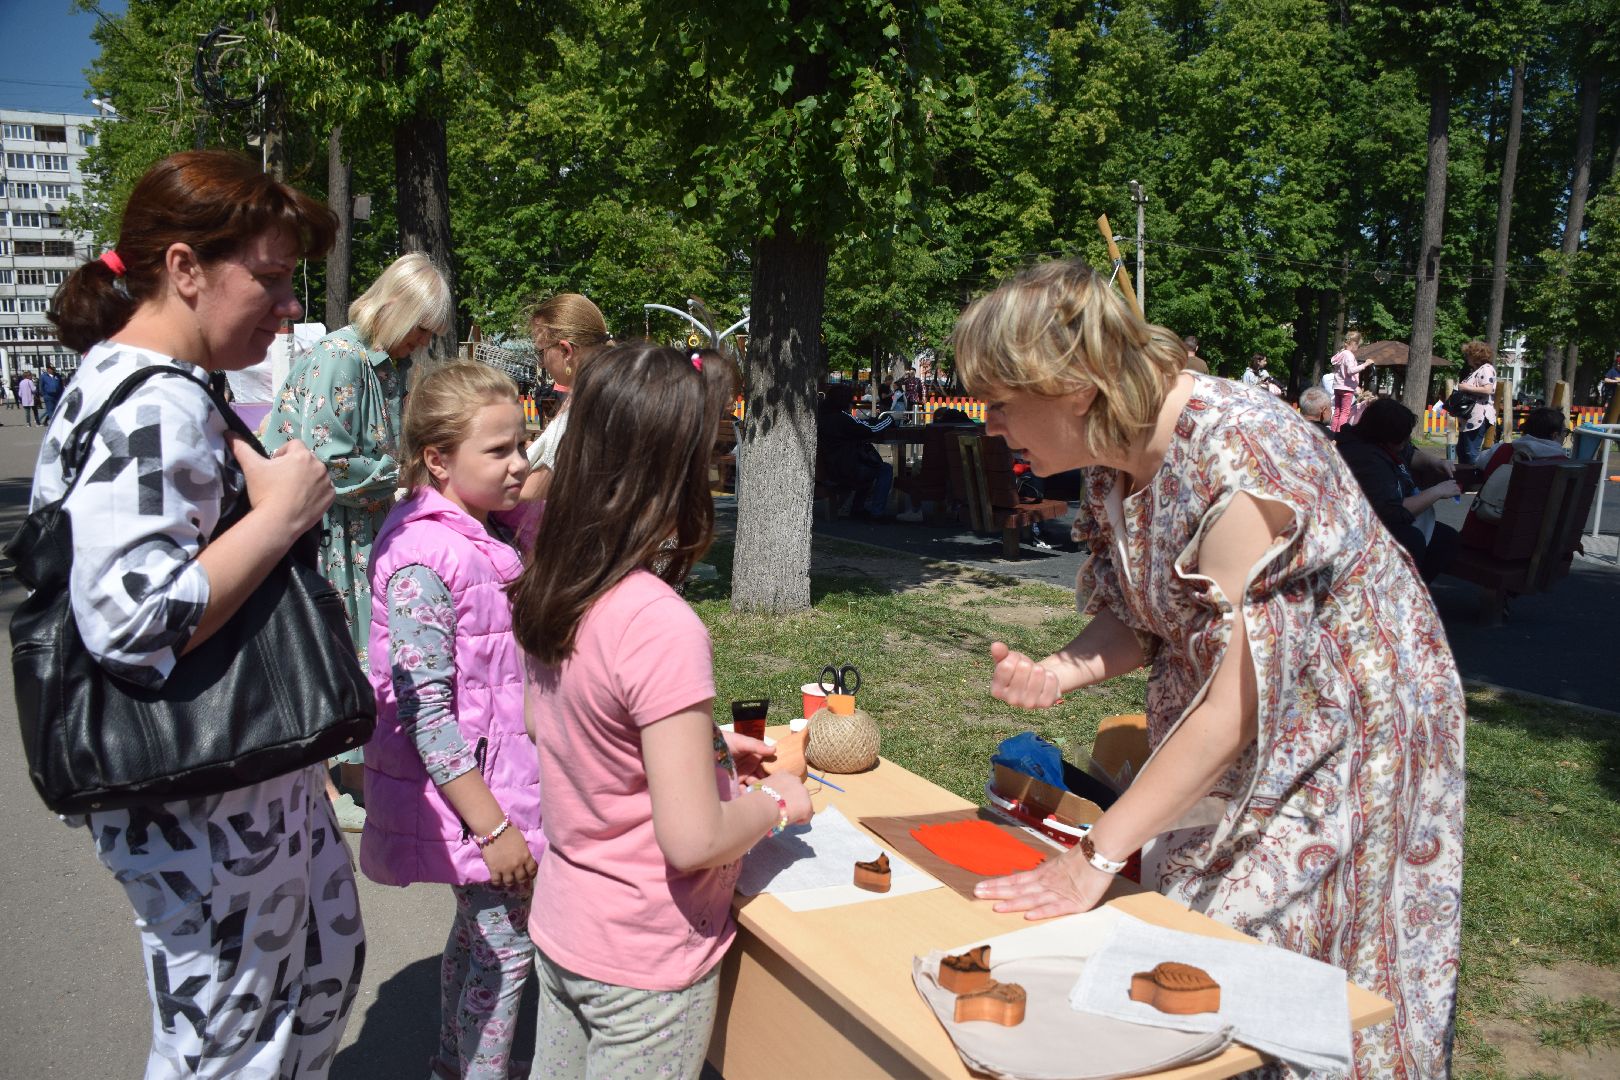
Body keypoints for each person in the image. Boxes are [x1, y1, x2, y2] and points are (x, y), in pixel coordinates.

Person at [955, 261, 1464, 1079]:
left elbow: (1238, 702)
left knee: (1281, 950)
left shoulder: (1241, 452)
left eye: (1004, 401)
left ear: (1075, 386)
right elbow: (1148, 613)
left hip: (1345, 731)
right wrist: (1058, 672)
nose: (989, 423)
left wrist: (1093, 856)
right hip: (1232, 723)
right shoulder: (1110, 456)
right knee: (1190, 938)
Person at [35, 149, 363, 1077]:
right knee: (230, 1047)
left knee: (310, 982)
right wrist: (283, 516)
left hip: (240, 785)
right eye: (268, 278)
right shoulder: (155, 406)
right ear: (184, 269)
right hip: (206, 805)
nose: (289, 305)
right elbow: (133, 625)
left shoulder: (162, 386)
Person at [510, 342, 813, 1079]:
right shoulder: (659, 623)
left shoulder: (555, 584)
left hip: (564, 925)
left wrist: (702, 749)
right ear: (681, 470)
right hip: (643, 958)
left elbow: (568, 726)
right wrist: (776, 803)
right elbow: (693, 838)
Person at [361, 362, 544, 1080]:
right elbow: (425, 714)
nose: (518, 465)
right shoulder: (422, 558)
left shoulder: (480, 534)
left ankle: (452, 1064)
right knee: (504, 957)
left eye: (521, 444)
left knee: (479, 943)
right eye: (498, 451)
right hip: (482, 805)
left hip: (500, 789)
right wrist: (494, 829)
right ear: (438, 459)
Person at [263, 251, 453, 830]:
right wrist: (400, 474)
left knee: (361, 646)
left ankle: (354, 772)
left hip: (359, 525)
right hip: (324, 529)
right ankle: (327, 778)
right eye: (421, 328)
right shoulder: (341, 359)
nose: (422, 342)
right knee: (333, 647)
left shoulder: (384, 366)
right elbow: (323, 463)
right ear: (398, 310)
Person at [1336, 397, 1461, 583]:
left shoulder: (1379, 440)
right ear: (1385, 438)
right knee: (1413, 541)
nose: (1406, 442)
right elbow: (1394, 511)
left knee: (1447, 539)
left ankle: (1415, 591)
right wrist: (1437, 491)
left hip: (1380, 520)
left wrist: (1436, 462)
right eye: (1402, 439)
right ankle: (1396, 595)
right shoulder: (1365, 460)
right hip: (1360, 528)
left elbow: (1408, 453)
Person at [524, 292, 613, 498]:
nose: (541, 362)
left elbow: (536, 487)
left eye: (541, 352)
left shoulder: (586, 407)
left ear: (565, 351)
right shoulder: (607, 391)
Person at [1460, 406, 1570, 551]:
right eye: (1565, 432)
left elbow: (1479, 462)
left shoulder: (1501, 450)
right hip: (1529, 548)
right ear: (1555, 435)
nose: (1565, 436)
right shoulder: (1564, 465)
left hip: (1480, 539)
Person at [816, 382, 895, 518]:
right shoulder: (842, 418)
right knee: (884, 469)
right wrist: (889, 418)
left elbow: (860, 426)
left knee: (868, 465)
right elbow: (871, 429)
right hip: (847, 469)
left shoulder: (823, 417)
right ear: (845, 401)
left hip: (831, 469)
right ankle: (877, 512)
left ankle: (858, 507)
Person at [1454, 339, 1498, 466]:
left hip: (1478, 417)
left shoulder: (1486, 369)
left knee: (1470, 453)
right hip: (1469, 419)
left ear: (1476, 355)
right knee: (1463, 451)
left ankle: (1475, 482)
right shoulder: (1476, 370)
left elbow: (1487, 389)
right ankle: (1465, 481)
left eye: (1468, 354)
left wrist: (1464, 387)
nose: (1467, 357)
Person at [1329, 329, 1369, 431]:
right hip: (1346, 387)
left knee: (1337, 411)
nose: (1357, 347)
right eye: (1358, 345)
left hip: (1338, 386)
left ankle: (1333, 432)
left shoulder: (1341, 353)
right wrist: (1364, 365)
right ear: (1354, 343)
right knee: (1345, 412)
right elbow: (1351, 371)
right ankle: (1339, 434)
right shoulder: (1349, 355)